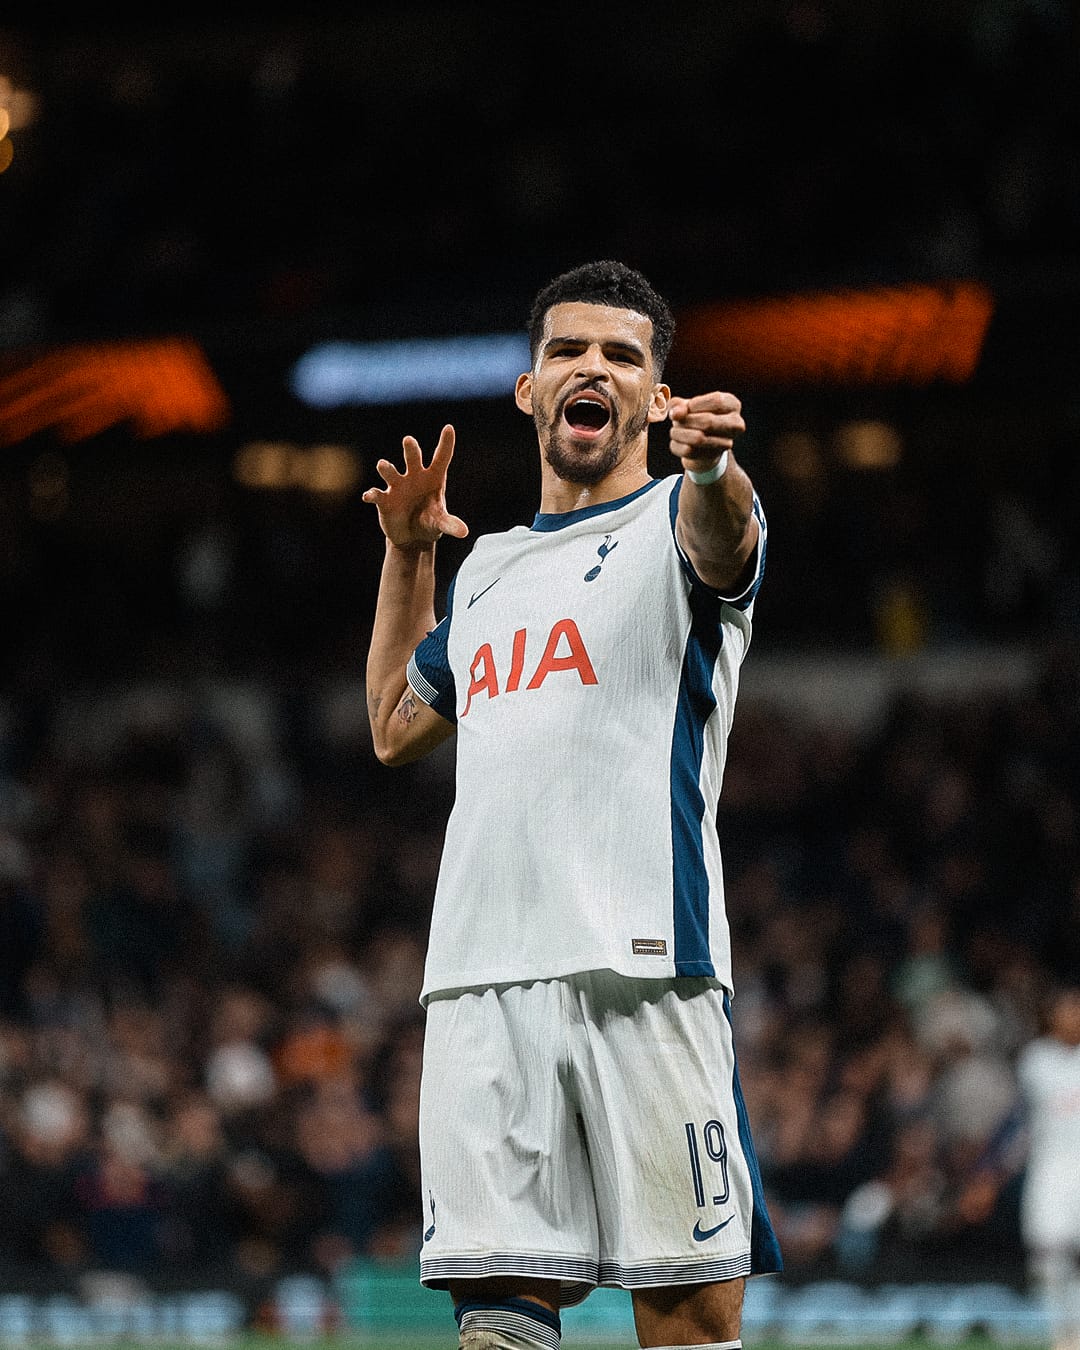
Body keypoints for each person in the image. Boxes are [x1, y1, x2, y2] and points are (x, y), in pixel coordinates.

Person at [362, 259, 781, 1350]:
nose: (591, 368)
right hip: (477, 980)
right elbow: (394, 726)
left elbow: (726, 538)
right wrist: (409, 554)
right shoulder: (492, 568)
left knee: (689, 1318)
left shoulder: (682, 523)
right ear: (528, 387)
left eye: (622, 356)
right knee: (497, 1324)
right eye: (567, 350)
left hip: (644, 967)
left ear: (656, 397)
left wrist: (716, 469)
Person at [1017, 985, 1080, 1350]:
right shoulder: (1035, 1060)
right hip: (1050, 1170)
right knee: (1047, 1254)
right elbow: (1019, 1120)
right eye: (1069, 1009)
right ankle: (1058, 1334)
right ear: (1053, 1015)